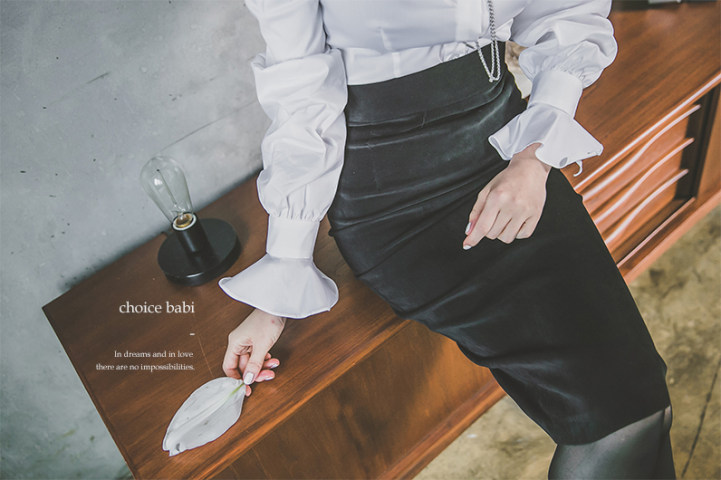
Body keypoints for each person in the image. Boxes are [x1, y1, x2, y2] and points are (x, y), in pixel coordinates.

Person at [218, 1, 676, 477]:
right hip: (395, 196)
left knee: (644, 401)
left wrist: (533, 159)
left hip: (508, 149)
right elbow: (301, 98)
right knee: (624, 420)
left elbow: (566, 16)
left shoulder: (524, 161)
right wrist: (279, 290)